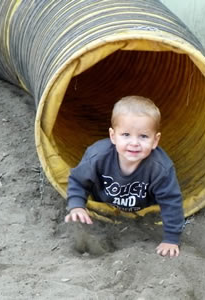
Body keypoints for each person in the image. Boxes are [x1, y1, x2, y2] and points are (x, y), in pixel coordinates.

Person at [65, 95, 184, 257]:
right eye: (126, 135)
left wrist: (171, 239)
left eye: (143, 136)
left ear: (155, 141)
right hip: (104, 206)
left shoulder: (160, 168)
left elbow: (171, 201)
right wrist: (77, 204)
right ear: (113, 136)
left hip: (143, 210)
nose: (134, 143)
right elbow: (78, 180)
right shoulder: (98, 156)